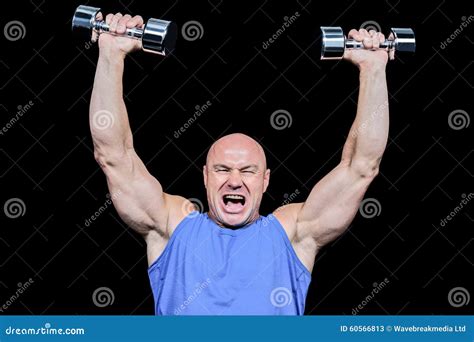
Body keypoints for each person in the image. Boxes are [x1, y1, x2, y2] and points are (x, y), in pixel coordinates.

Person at [90, 12, 389, 315]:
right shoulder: (172, 226)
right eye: (222, 169)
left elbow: (361, 166)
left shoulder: (294, 233)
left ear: (265, 180)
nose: (235, 180)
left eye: (248, 171)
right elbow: (113, 156)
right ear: (205, 177)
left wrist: (373, 68)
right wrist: (111, 54)